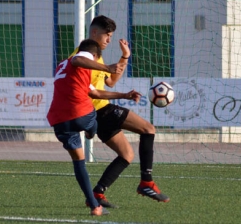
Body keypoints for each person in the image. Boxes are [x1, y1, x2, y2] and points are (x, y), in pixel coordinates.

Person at [70, 15, 169, 209]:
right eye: (107, 35)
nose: (109, 40)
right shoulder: (86, 54)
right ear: (94, 32)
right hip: (101, 109)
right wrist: (121, 91)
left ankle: (98, 193)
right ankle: (147, 183)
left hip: (98, 114)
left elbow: (111, 81)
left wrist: (124, 57)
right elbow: (77, 60)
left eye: (111, 36)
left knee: (126, 155)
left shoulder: (98, 56)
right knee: (148, 129)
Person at [47, 39, 141, 216]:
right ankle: (91, 131)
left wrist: (124, 95)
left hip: (59, 121)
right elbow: (78, 59)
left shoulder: (64, 67)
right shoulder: (82, 57)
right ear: (95, 56)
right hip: (81, 115)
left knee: (79, 163)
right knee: (93, 114)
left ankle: (94, 206)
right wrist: (107, 68)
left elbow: (95, 92)